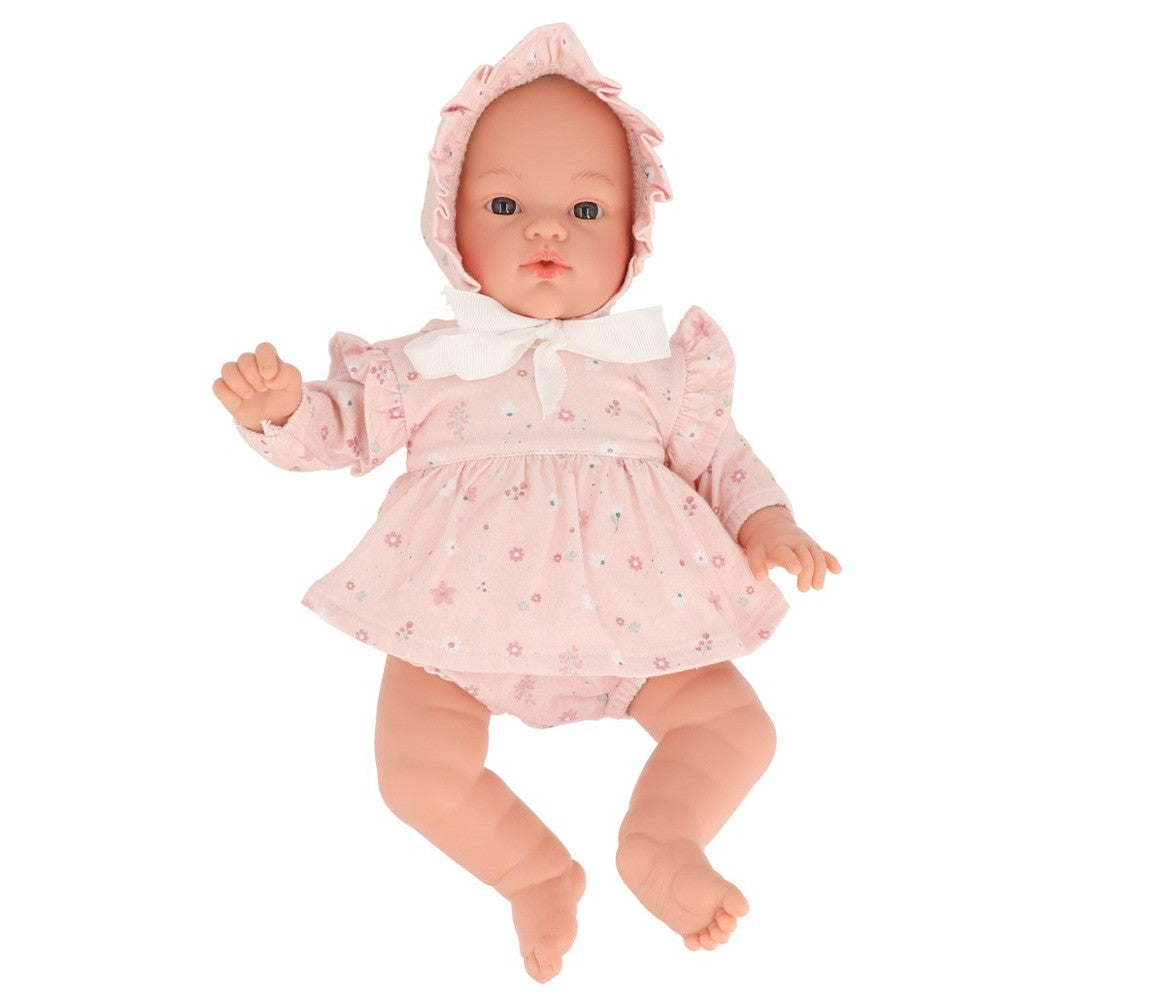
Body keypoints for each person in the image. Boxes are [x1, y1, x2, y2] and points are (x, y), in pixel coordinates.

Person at [212, 23, 840, 984]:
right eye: (505, 205)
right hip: (456, 631)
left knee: (736, 729)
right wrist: (283, 410)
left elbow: (721, 458)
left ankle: (661, 838)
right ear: (448, 224)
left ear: (634, 233)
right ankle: (534, 871)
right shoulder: (430, 363)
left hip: (644, 625)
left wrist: (768, 522)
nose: (546, 231)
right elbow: (341, 430)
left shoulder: (657, 369)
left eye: (585, 209)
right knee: (415, 772)